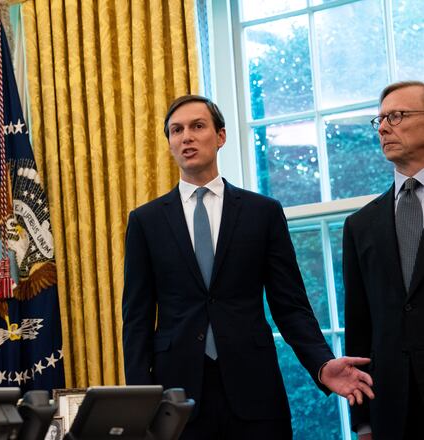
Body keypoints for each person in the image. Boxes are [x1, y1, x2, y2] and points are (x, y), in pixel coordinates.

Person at [121, 94, 374, 439]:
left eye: (198, 126)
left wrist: (321, 363)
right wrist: (139, 399)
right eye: (176, 130)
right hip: (174, 395)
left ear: (220, 136)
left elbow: (291, 305)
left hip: (254, 388)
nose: (186, 137)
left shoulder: (263, 212)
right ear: (170, 143)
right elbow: (136, 319)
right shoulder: (145, 221)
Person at [343, 80, 424, 440]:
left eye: (397, 116)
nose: (384, 128)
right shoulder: (360, 225)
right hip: (391, 408)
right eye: (379, 121)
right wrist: (362, 422)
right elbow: (358, 326)